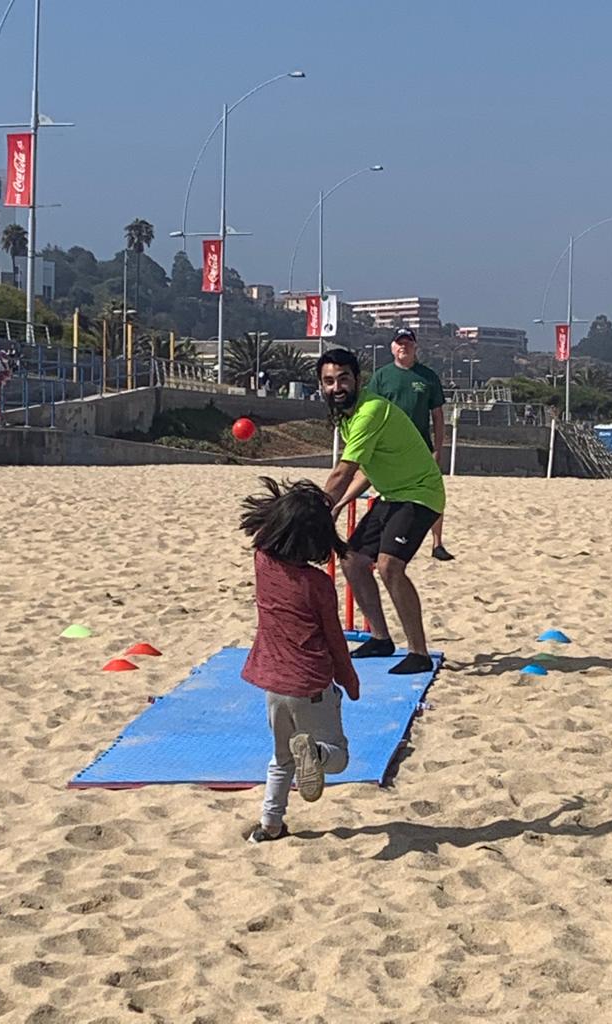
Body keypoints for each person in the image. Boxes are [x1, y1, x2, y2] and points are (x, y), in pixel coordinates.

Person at [240, 477, 360, 844]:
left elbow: (263, 533)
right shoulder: (318, 585)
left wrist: (286, 507)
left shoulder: (262, 561)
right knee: (337, 756)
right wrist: (349, 680)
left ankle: (270, 825)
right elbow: (334, 639)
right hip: (310, 684)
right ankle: (316, 755)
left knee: (281, 759)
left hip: (273, 686)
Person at [318, 347, 445, 675]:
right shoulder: (345, 416)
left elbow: (344, 470)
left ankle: (418, 652)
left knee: (389, 566)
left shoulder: (370, 410)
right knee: (352, 560)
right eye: (329, 381)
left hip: (420, 493)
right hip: (392, 495)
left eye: (343, 378)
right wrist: (341, 503)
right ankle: (380, 638)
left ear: (357, 379)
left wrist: (316, 508)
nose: (337, 387)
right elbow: (365, 470)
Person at [367, 327, 453, 561]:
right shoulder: (381, 377)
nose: (404, 347)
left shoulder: (427, 377)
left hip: (421, 447)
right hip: (388, 448)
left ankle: (437, 543)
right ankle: (384, 538)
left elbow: (437, 415)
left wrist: (438, 448)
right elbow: (370, 412)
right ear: (392, 347)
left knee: (434, 493)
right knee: (388, 493)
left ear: (415, 347)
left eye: (408, 343)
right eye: (399, 343)